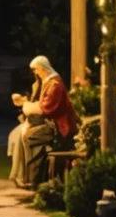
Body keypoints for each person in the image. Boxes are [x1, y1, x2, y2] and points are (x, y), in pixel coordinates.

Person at [7, 55, 76, 189]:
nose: (35, 73)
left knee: (27, 136)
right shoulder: (45, 83)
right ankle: (22, 175)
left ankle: (33, 177)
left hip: (57, 127)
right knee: (19, 135)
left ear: (43, 69)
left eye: (36, 70)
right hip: (47, 123)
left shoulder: (55, 85)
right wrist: (24, 101)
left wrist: (26, 105)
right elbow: (38, 102)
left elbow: (45, 108)